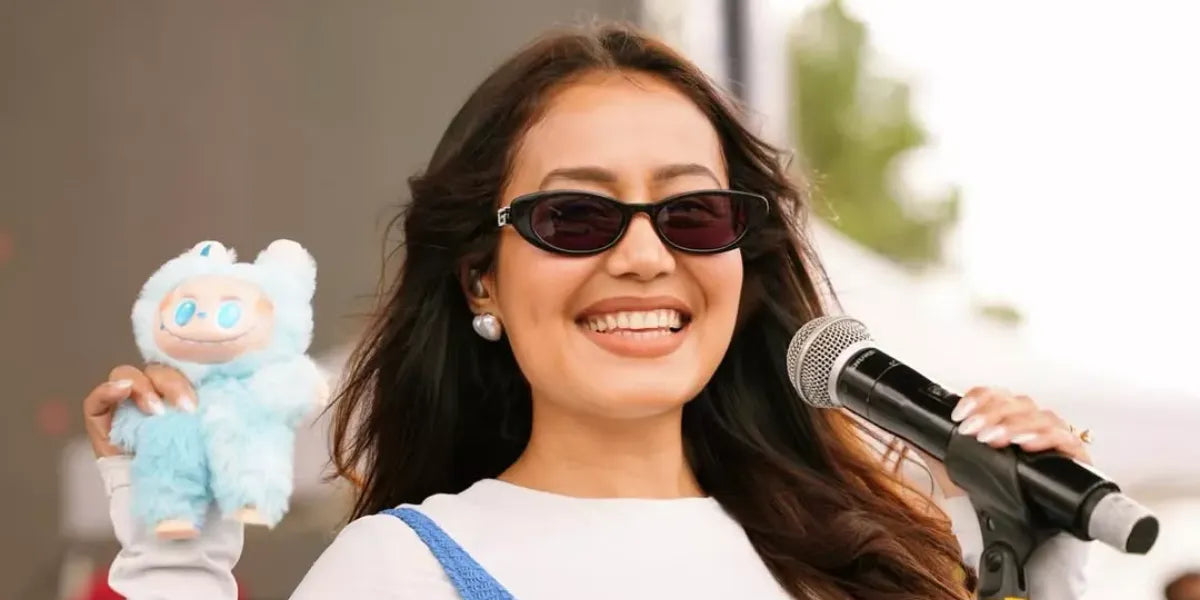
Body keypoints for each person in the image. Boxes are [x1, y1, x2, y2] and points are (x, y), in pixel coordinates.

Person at [82, 23, 1092, 600]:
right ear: (480, 279)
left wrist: (1044, 566)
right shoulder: (403, 572)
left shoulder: (866, 564)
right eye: (575, 216)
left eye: (693, 213)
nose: (645, 258)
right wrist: (174, 557)